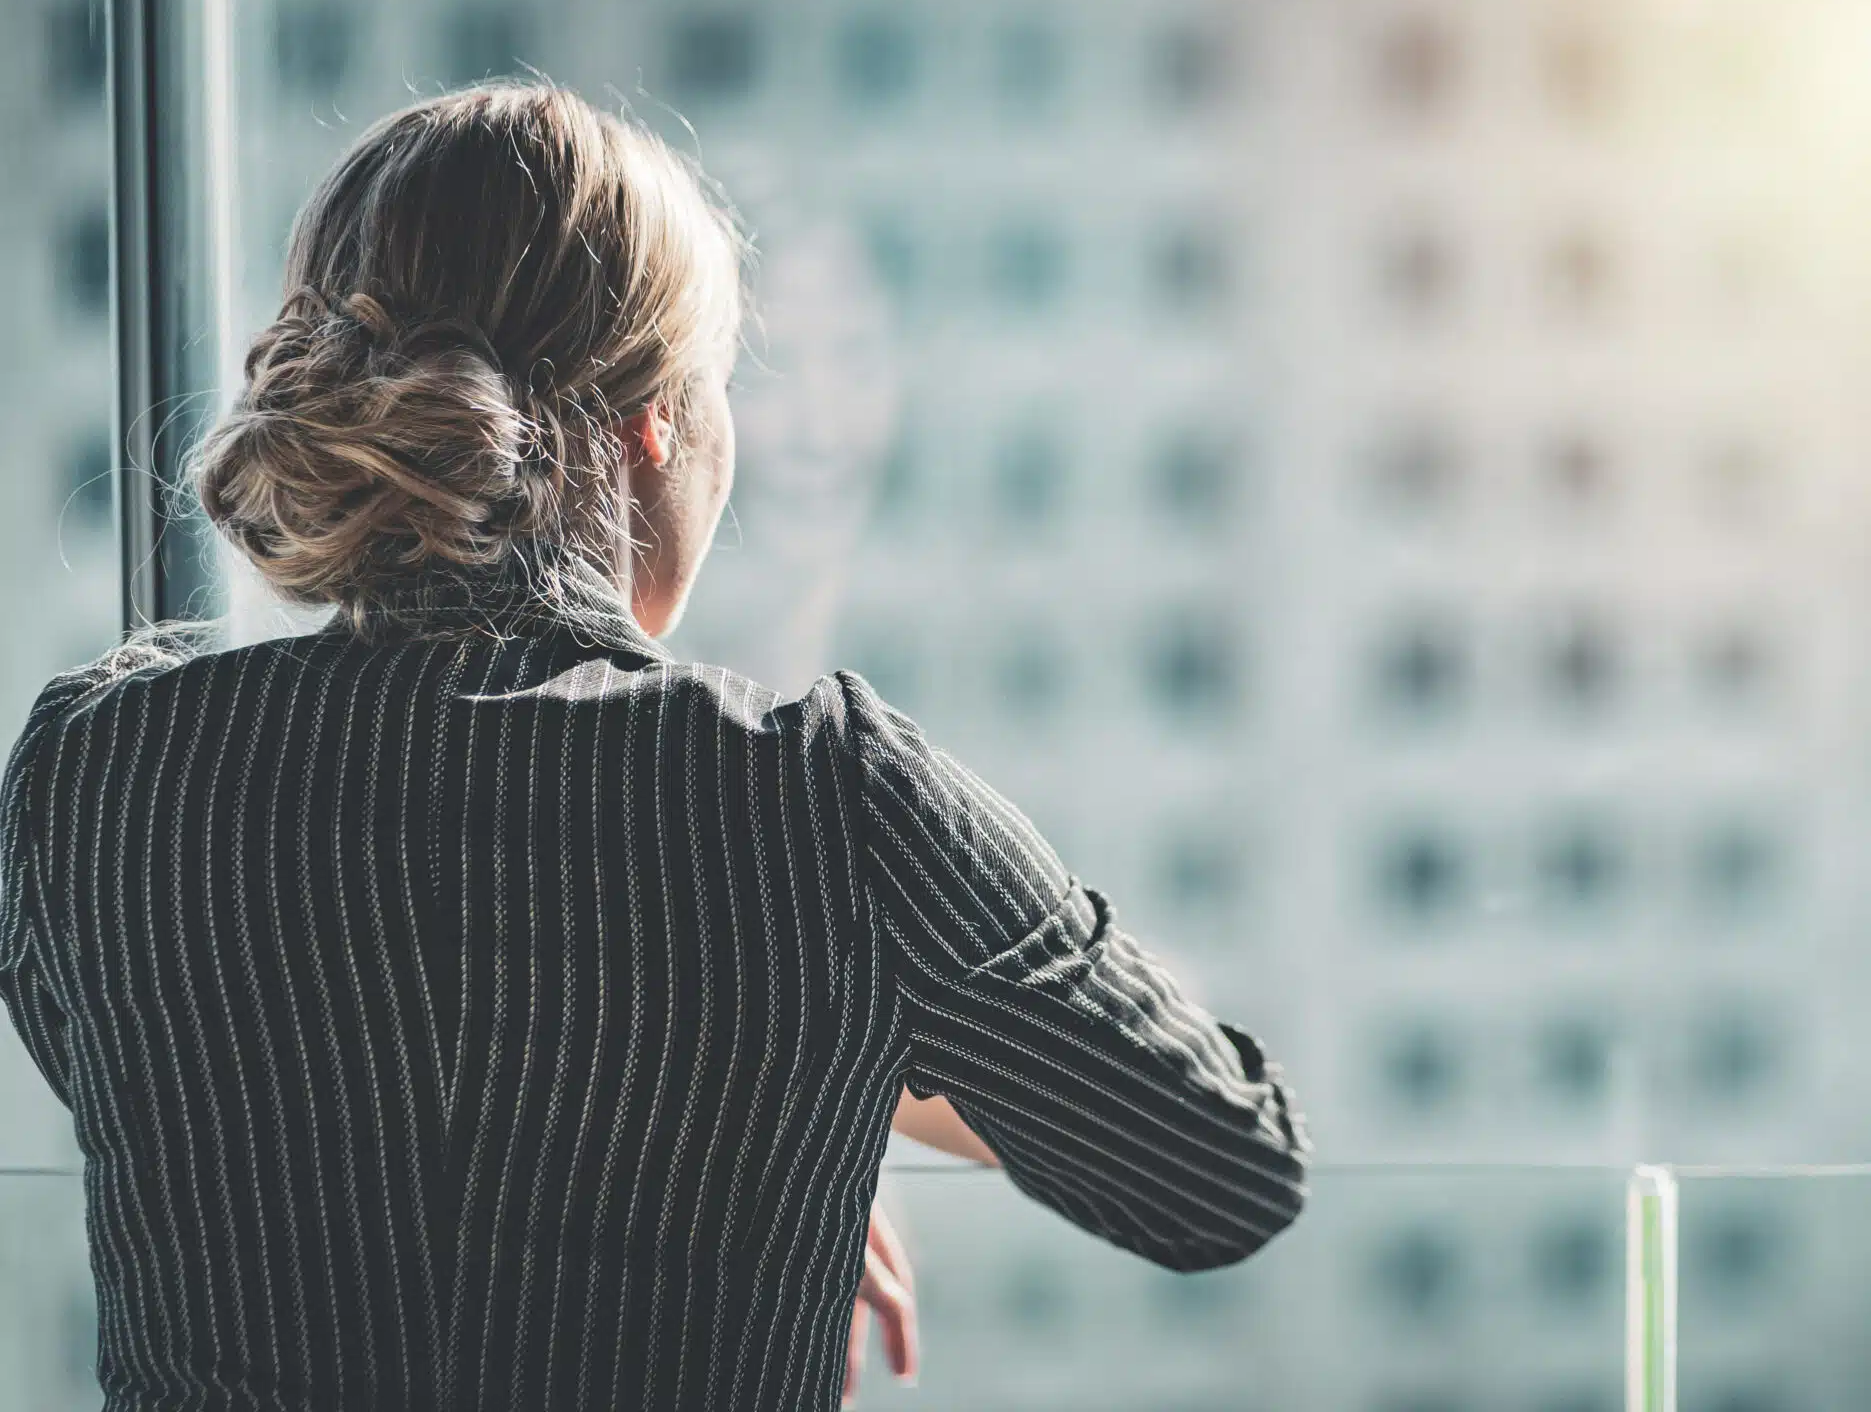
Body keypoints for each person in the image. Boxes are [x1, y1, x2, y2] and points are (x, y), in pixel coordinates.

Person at [0, 83, 1308, 1412]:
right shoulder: (825, 801)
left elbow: (166, 1088)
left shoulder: (98, 774)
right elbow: (1220, 1173)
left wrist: (782, 1090)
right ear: (661, 423)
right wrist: (794, 1089)